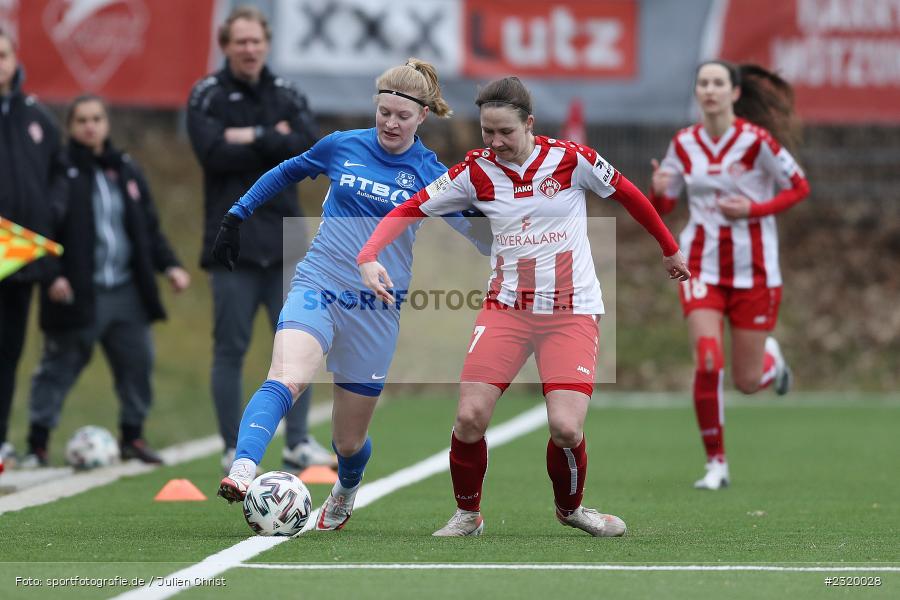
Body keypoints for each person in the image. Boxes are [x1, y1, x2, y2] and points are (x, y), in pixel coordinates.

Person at [357, 76, 691, 537]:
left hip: (571, 311)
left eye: (505, 133)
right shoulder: (474, 172)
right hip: (506, 310)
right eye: (487, 133)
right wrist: (368, 255)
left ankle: (571, 509)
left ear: (529, 124)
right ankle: (468, 515)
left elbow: (631, 196)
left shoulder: (571, 160)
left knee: (566, 429)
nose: (495, 143)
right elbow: (410, 209)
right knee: (469, 417)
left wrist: (669, 248)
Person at [213, 58, 491, 531]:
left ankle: (346, 487)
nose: (390, 122)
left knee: (347, 441)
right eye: (384, 112)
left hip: (375, 308)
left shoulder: (430, 172)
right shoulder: (343, 146)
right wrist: (237, 215)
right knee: (286, 376)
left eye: (402, 116)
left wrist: (507, 228)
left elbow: (475, 233)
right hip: (318, 283)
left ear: (423, 116)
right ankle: (243, 468)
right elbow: (286, 171)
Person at [648, 61, 810, 490]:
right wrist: (660, 189)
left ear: (735, 93)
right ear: (697, 92)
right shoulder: (683, 143)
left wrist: (753, 209)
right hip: (700, 265)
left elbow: (799, 187)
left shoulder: (757, 142)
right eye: (703, 83)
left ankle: (771, 364)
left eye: (719, 83)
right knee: (707, 359)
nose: (710, 90)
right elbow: (663, 209)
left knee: (747, 382)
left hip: (754, 271)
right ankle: (716, 464)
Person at [187, 6, 334, 474]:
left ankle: (298, 441)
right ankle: (234, 446)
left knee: (299, 342)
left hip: (287, 240)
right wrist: (271, 136)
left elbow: (308, 149)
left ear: (266, 44)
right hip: (232, 243)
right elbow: (211, 151)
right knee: (230, 347)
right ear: (226, 45)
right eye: (240, 42)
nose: (249, 49)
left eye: (256, 41)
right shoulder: (207, 95)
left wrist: (248, 139)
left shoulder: (287, 92)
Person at [19, 95, 191, 467]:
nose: (90, 126)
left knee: (138, 363)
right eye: (81, 120)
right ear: (70, 127)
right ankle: (37, 444)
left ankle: (133, 436)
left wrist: (171, 266)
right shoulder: (60, 169)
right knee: (57, 368)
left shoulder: (125, 169)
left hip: (126, 290)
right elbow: (43, 224)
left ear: (107, 123)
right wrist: (51, 275)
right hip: (79, 291)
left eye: (97, 118)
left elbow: (148, 228)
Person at [0, 28, 62, 468]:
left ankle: (1, 439)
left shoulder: (37, 117)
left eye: (1, 54)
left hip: (18, 259)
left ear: (14, 58)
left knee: (8, 353)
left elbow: (60, 176)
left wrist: (49, 212)